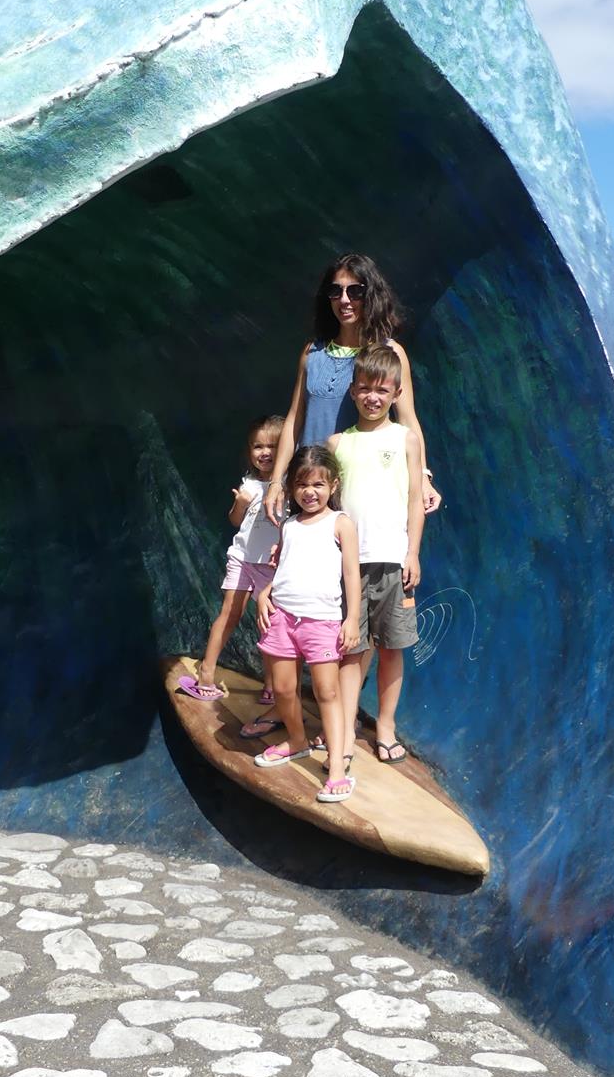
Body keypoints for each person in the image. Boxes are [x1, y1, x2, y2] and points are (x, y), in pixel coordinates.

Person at [264, 253, 441, 526]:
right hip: (311, 490)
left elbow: (408, 421)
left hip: (361, 492)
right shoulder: (312, 352)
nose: (345, 300)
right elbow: (294, 420)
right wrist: (277, 481)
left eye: (355, 291)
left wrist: (423, 477)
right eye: (336, 291)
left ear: (371, 295)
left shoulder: (390, 353)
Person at [328, 346, 424, 764]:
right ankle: (345, 728)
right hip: (349, 565)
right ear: (353, 392)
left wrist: (413, 553)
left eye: (382, 391)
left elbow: (417, 498)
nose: (372, 397)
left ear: (396, 393)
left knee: (392, 647)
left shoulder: (406, 438)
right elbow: (328, 505)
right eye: (365, 389)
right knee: (352, 649)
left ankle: (385, 725)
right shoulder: (337, 443)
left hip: (393, 560)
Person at [253, 446, 361, 803]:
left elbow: (350, 574)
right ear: (291, 487)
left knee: (327, 692)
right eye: (301, 484)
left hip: (322, 622)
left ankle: (336, 769)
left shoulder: (340, 523)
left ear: (333, 484)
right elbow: (285, 568)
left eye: (318, 483)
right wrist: (265, 593)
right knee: (284, 690)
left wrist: (352, 619)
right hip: (282, 618)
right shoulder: (289, 525)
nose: (310, 491)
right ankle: (297, 741)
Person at [177, 415, 285, 708]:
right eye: (257, 446)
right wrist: (239, 505)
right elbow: (236, 522)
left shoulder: (288, 484)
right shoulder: (248, 483)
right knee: (228, 614)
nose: (264, 452)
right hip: (242, 558)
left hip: (271, 566)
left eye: (272, 446)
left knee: (269, 624)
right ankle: (207, 676)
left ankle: (272, 685)